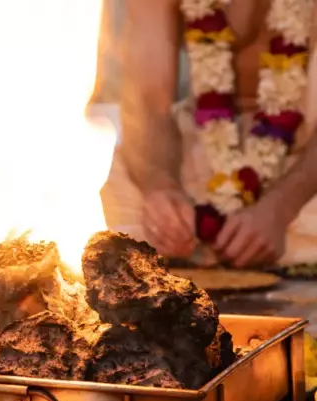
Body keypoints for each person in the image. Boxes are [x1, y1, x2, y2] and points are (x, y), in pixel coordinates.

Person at [101, 0, 317, 269]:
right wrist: (160, 187)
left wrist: (282, 207)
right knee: (111, 220)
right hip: (201, 144)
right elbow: (148, 100)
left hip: (305, 155)